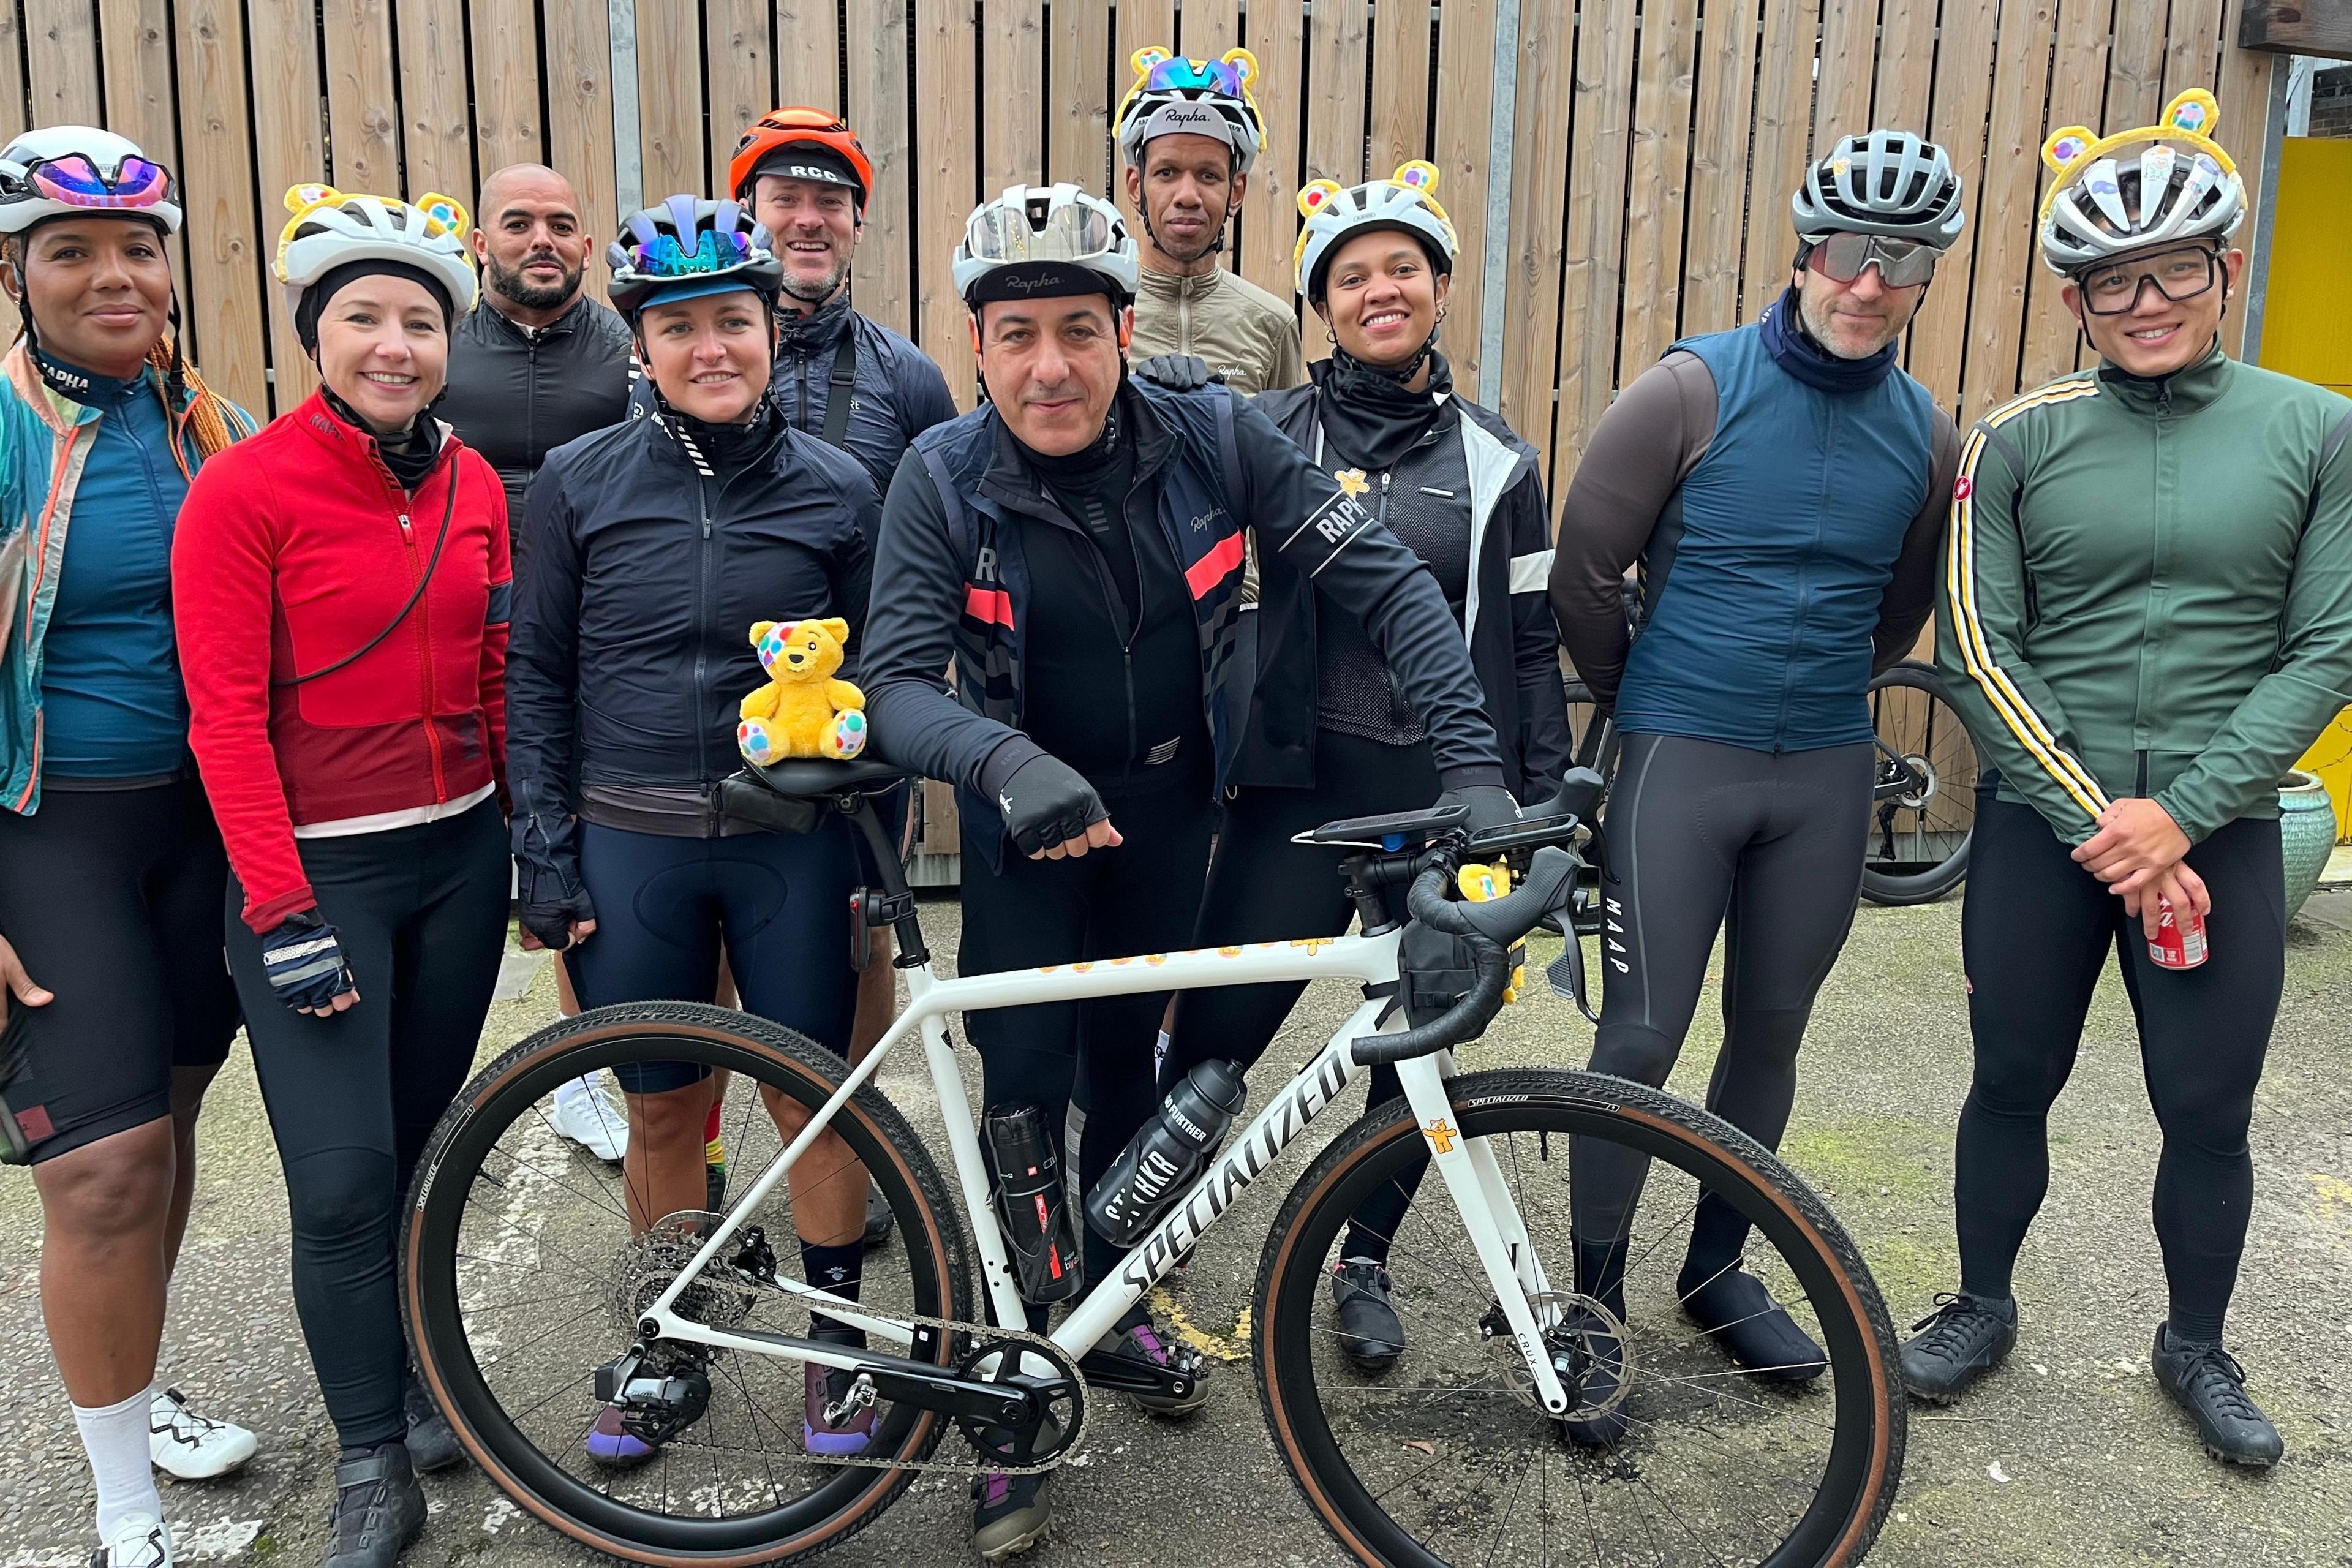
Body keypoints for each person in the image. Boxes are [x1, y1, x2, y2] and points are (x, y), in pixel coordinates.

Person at [859, 181, 1513, 1562]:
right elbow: (895, 681)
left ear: (1121, 331)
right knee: (1028, 1098)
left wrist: (1472, 769)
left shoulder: (1216, 432)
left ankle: (1111, 1303)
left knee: (1131, 1080)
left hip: (1168, 811)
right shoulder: (940, 471)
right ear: (977, 346)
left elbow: (1386, 582)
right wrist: (1007, 765)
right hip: (1025, 817)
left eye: (1078, 332)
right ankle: (1015, 1396)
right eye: (1018, 334)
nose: (1051, 366)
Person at [1904, 90, 2352, 1469]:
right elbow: (1981, 646)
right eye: (2112, 279)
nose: (2144, 300)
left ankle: (2195, 1342)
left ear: (2224, 270)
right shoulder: (2013, 437)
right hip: (2056, 828)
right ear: (2075, 295)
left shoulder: (2322, 427)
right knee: (2012, 1073)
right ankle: (1982, 1305)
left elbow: (2329, 644)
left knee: (2208, 1105)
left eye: (2173, 270)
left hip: (2219, 829)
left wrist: (2185, 813)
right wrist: (2107, 818)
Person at [1545, 129, 1967, 1439]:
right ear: (1804, 251)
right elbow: (1582, 569)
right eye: (1847, 250)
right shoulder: (1690, 389)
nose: (1867, 280)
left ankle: (1717, 1267)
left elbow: (1899, 613)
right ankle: (1592, 1301)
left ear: (1925, 277)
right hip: (1681, 753)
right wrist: (1656, 690)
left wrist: (1806, 700)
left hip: (1824, 774)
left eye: (1900, 261)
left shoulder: (1922, 430)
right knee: (1641, 1036)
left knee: (1772, 1029)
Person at [1157, 161, 1570, 1371]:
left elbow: (1534, 640)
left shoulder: (1497, 461)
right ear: (1320, 307)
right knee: (1221, 1028)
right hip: (1300, 783)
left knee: (1417, 1037)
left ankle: (1362, 1258)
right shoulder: (1270, 434)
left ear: (1439, 289)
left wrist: (1536, 802)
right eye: (1351, 277)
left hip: (1440, 793)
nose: (1379, 290)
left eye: (1402, 268)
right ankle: (1155, 1241)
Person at [502, 195, 882, 1467]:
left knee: (812, 1100)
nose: (711, 347)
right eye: (681, 328)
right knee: (665, 1111)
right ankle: (670, 1338)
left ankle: (835, 1346)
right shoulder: (577, 482)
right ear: (641, 347)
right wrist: (545, 857)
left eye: (736, 319)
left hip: (792, 844)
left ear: (774, 328)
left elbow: (887, 680)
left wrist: (870, 855)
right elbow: (538, 676)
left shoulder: (840, 487)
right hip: (632, 839)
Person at [174, 183, 510, 1568]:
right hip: (321, 874)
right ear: (313, 336)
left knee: (429, 1147)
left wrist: (528, 841)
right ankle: (370, 1455)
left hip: (463, 854)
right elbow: (222, 718)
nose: (393, 343)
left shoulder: (476, 480)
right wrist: (278, 903)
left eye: (418, 320)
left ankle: (425, 1380)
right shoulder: (241, 489)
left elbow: (497, 673)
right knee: (339, 1178)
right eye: (360, 317)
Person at [0, 126, 260, 1568]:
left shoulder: (199, 418)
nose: (115, 275)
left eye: (137, 248)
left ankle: (138, 1396)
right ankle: (124, 1516)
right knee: (99, 1170)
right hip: (52, 828)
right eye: (73, 251)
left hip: (200, 830)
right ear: (15, 271)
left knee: (158, 1146)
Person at [723, 108, 957, 1234]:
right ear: (751, 215)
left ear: (858, 222)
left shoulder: (909, 378)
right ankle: (710, 1149)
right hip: (711, 719)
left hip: (859, 725)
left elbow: (954, 542)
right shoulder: (693, 346)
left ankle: (843, 1150)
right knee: (719, 953)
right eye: (785, 200)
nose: (807, 220)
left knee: (865, 935)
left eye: (828, 202)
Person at [434, 162, 638, 1164]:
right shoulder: (433, 350)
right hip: (454, 649)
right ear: (481, 242)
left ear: (588, 247)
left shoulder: (626, 354)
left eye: (563, 223)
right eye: (519, 224)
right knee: (473, 874)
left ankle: (591, 1073)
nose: (541, 241)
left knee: (581, 866)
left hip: (585, 644)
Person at [1114, 47, 1303, 397]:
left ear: (1236, 192)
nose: (1188, 195)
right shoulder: (1099, 315)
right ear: (1136, 187)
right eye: (1166, 172)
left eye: (1209, 175)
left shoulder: (1273, 324)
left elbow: (1286, 448)